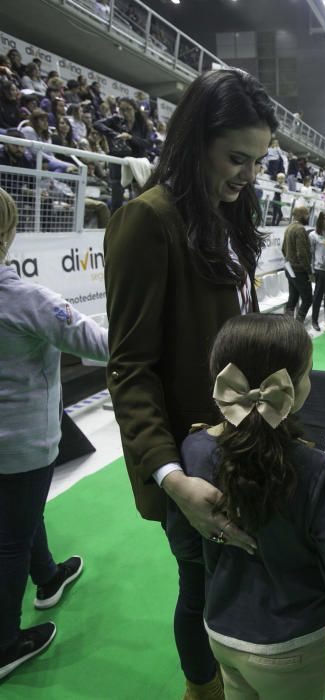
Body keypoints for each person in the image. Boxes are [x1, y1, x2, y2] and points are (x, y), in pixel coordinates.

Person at [103, 69, 278, 700]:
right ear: (193, 141)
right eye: (237, 158)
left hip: (242, 444)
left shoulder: (228, 215)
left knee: (230, 583)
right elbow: (130, 369)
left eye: (257, 161)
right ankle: (200, 690)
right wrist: (171, 478)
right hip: (192, 462)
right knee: (198, 586)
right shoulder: (146, 222)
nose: (248, 176)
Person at [169, 313, 325, 699]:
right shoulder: (314, 468)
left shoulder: (192, 452)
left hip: (222, 634)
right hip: (295, 644)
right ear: (290, 388)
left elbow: (185, 544)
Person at [0, 186, 107, 681]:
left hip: (14, 447)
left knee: (20, 516)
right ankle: (5, 643)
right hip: (22, 443)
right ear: (9, 231)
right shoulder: (27, 299)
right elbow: (100, 344)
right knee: (9, 539)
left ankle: (48, 577)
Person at [281, 205, 314, 323]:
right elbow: (302, 253)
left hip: (289, 268)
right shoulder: (300, 229)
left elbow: (283, 249)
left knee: (293, 298)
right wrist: (309, 272)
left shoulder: (289, 227)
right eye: (306, 214)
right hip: (299, 270)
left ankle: (286, 325)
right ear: (300, 215)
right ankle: (297, 326)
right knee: (308, 299)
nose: (308, 216)